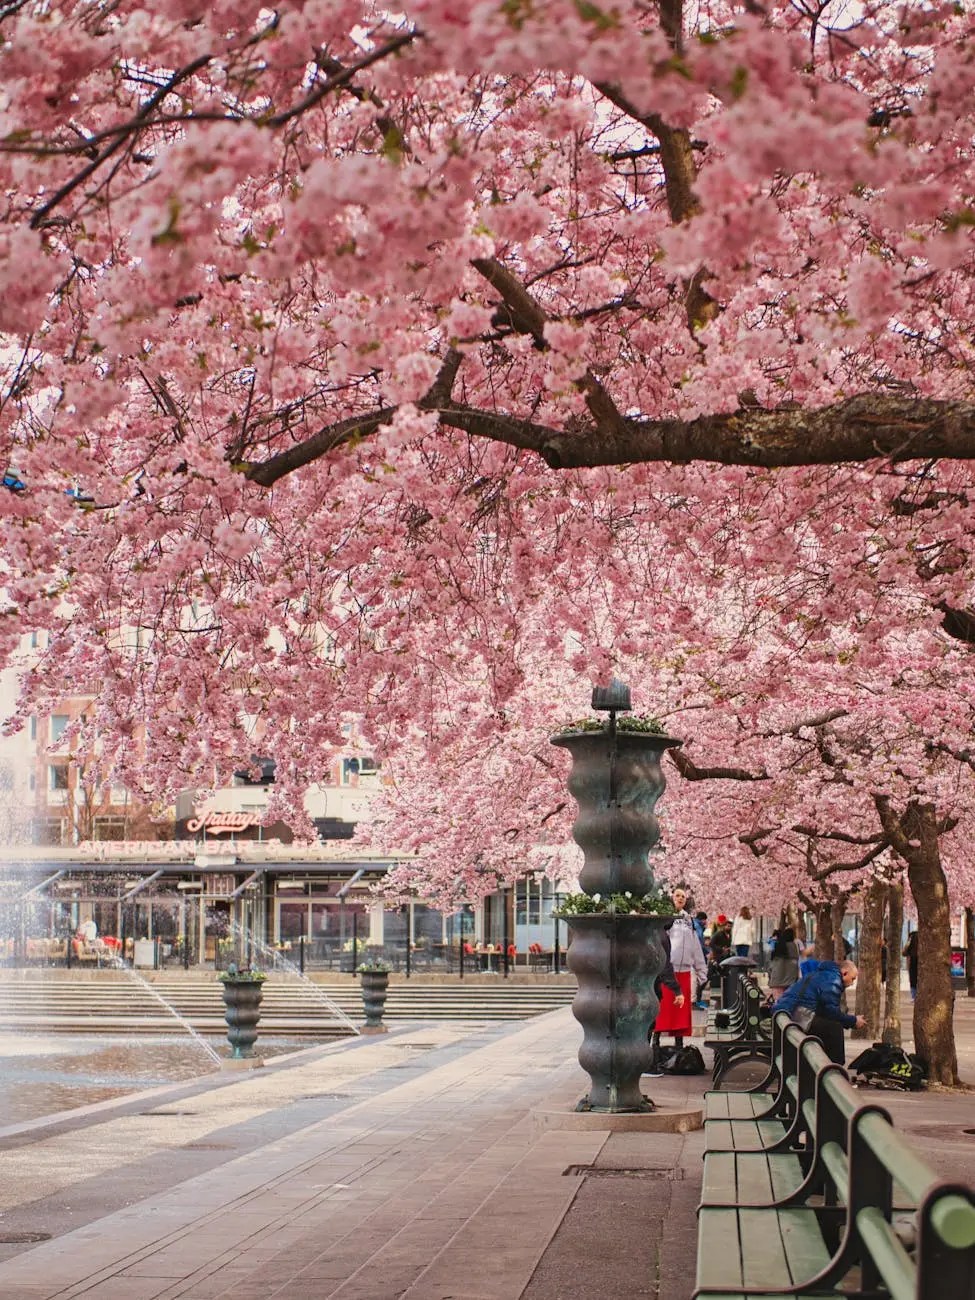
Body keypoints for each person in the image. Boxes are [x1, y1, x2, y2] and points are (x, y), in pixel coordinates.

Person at [772, 958, 867, 1065]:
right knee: (834, 1028)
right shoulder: (832, 980)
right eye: (853, 978)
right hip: (797, 1016)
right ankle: (835, 1068)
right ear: (845, 973)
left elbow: (825, 1009)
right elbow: (831, 1012)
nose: (852, 983)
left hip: (788, 1013)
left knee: (828, 1026)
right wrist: (853, 1021)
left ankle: (828, 1066)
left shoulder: (823, 974)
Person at [647, 920, 685, 1075]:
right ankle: (643, 1066)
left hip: (642, 985)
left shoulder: (648, 932)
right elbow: (664, 966)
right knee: (647, 1025)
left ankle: (642, 1064)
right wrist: (677, 990)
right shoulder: (661, 936)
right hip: (650, 987)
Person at [668, 888, 709, 1015]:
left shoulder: (689, 920)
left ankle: (679, 1035)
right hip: (669, 970)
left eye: (683, 897)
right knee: (667, 1010)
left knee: (682, 1013)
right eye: (677, 895)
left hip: (686, 970)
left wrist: (701, 971)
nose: (680, 898)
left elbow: (695, 946)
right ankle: (657, 1035)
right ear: (672, 898)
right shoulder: (666, 917)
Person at [767, 926, 801, 999]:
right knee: (789, 1004)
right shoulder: (795, 947)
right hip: (791, 982)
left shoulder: (776, 947)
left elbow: (770, 965)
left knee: (778, 1004)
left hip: (776, 981)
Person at [902, 930, 919, 1001]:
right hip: (917, 961)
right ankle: (916, 995)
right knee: (916, 979)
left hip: (913, 961)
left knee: (913, 979)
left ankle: (914, 996)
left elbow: (903, 952)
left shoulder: (911, 941)